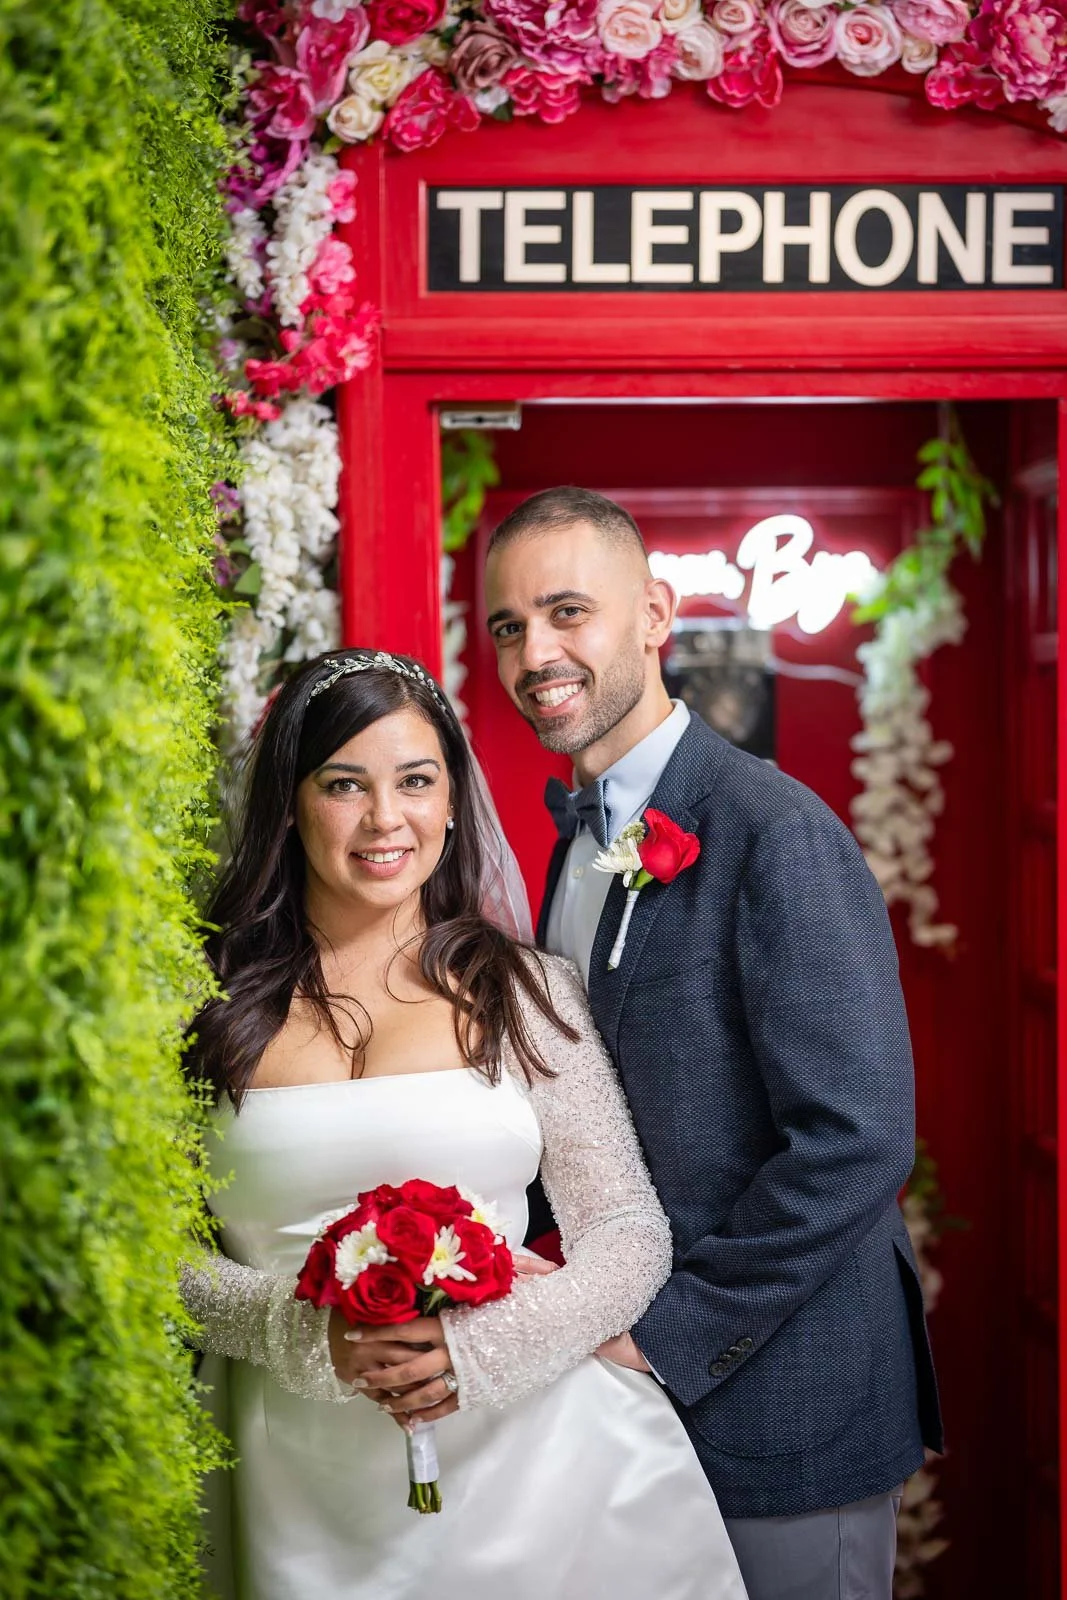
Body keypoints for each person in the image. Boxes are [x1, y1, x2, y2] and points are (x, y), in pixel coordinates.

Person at [180, 647, 748, 1600]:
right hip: (285, 1469)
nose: (383, 819)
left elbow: (625, 1229)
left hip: (539, 1466)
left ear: (452, 799)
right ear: (288, 801)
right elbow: (151, 1256)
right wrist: (299, 1335)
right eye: (342, 785)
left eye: (414, 781)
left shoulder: (524, 993)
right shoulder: (207, 1006)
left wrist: (476, 1352)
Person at [483, 488, 944, 1600]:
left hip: (786, 1404)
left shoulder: (773, 834)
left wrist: (664, 1332)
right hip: (628, 1401)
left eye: (565, 613)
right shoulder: (580, 840)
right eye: (507, 626)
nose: (534, 651)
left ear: (651, 613)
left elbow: (854, 1140)